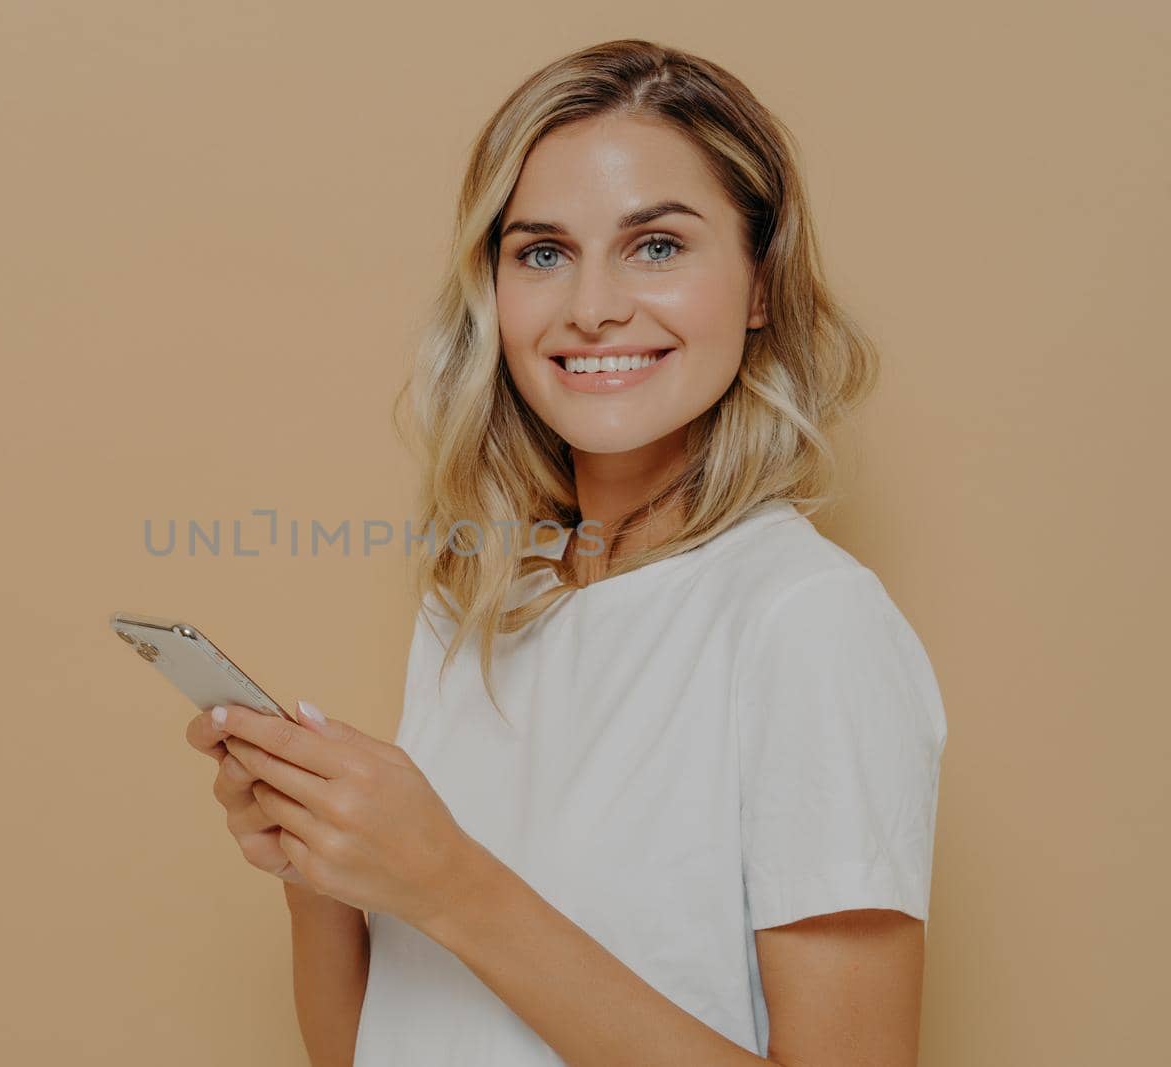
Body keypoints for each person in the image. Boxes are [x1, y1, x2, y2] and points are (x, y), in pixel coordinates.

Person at [183, 38, 947, 1067]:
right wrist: (322, 870)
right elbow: (372, 1047)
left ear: (760, 284)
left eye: (658, 246)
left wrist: (446, 879)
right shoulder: (479, 604)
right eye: (542, 251)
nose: (591, 308)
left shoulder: (804, 621)